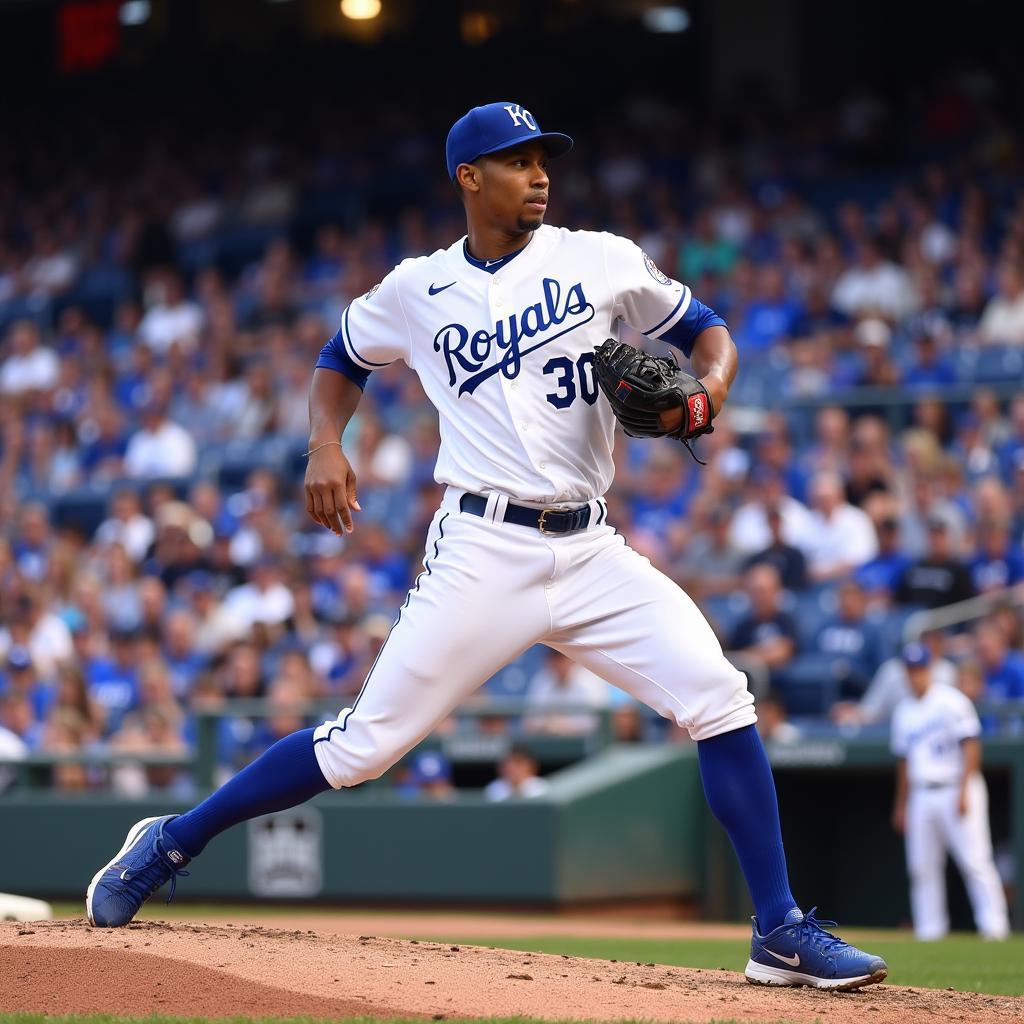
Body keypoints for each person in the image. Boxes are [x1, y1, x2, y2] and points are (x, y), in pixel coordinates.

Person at [85, 101, 885, 990]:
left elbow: (709, 329)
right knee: (361, 750)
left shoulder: (600, 258)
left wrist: (710, 394)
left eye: (545, 158)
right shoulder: (416, 288)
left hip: (591, 548)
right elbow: (340, 355)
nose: (540, 173)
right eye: (516, 160)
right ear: (469, 177)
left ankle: (776, 928)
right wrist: (325, 444)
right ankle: (168, 841)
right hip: (482, 548)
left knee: (719, 696)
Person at [890, 642, 1010, 941]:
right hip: (921, 793)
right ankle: (930, 932)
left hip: (956, 786)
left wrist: (964, 789)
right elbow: (904, 763)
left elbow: (971, 743)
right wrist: (901, 804)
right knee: (922, 867)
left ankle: (994, 929)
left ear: (929, 669)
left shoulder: (951, 701)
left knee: (975, 862)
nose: (915, 675)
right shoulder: (903, 710)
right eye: (910, 669)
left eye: (920, 668)